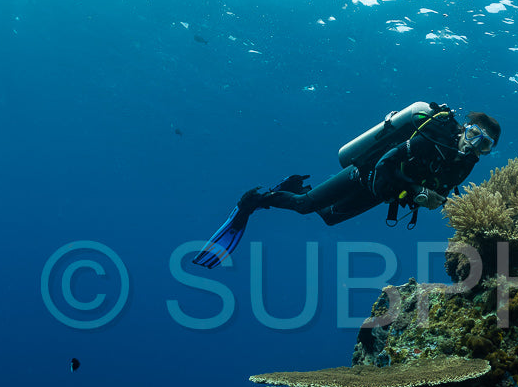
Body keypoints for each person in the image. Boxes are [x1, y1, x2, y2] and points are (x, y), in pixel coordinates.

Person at [193, 102, 500, 268]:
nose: (474, 147)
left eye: (484, 146)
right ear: (464, 129)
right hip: (365, 173)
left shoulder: (464, 165)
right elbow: (385, 164)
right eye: (473, 136)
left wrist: (431, 198)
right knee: (306, 207)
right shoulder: (432, 135)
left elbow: (438, 191)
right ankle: (256, 200)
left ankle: (294, 187)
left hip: (384, 193)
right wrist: (418, 192)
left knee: (329, 217)